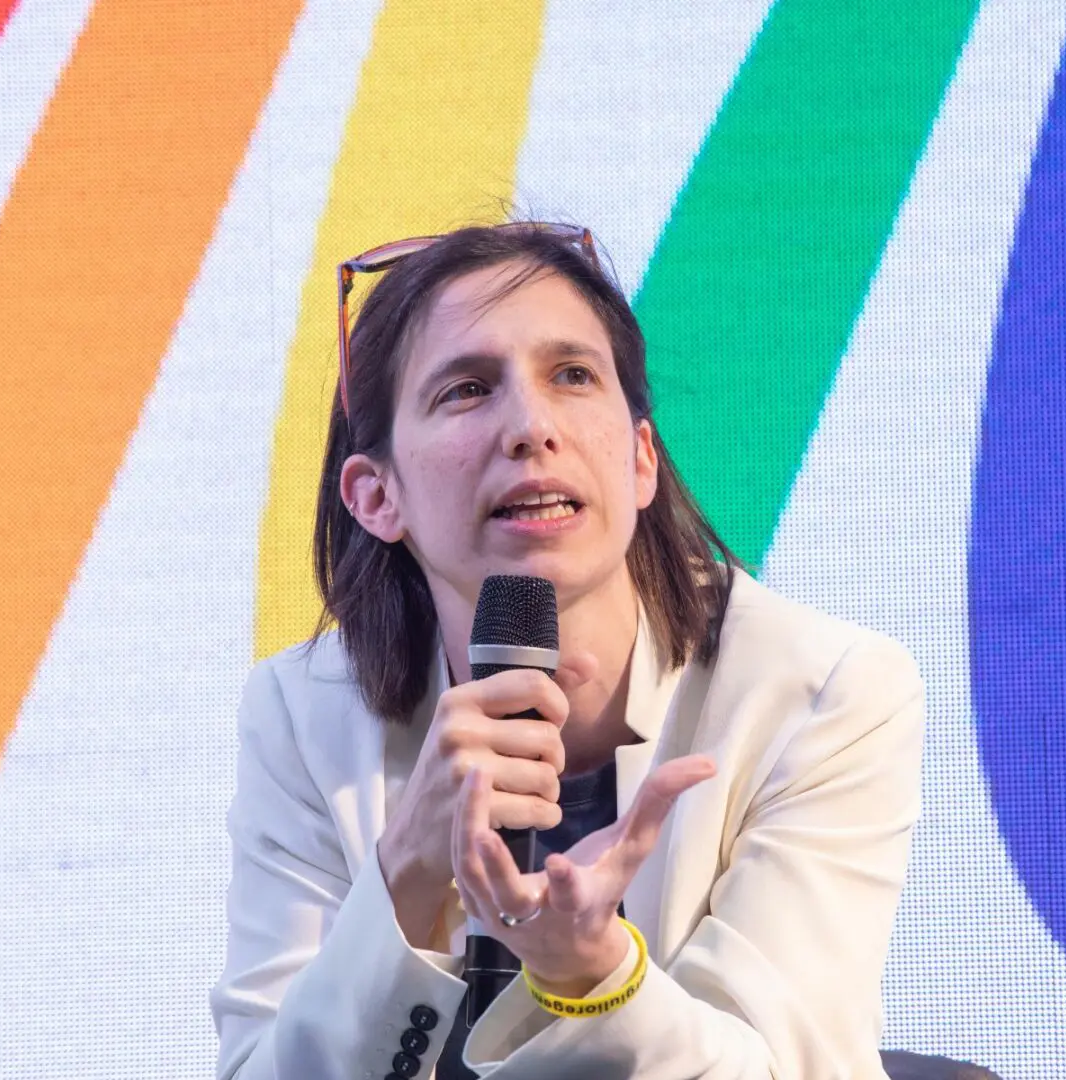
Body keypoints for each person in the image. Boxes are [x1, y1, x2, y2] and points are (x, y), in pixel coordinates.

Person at [210, 222, 924, 1079]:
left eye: (573, 376)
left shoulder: (822, 692)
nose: (531, 426)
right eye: (467, 390)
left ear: (642, 459)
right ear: (375, 496)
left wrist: (594, 976)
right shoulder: (303, 714)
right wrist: (406, 869)